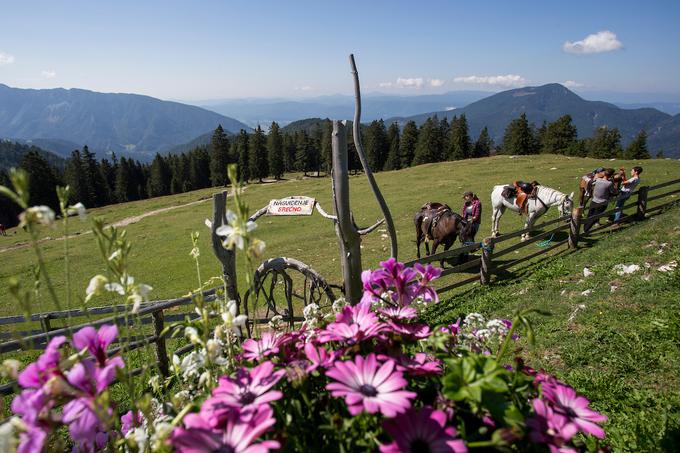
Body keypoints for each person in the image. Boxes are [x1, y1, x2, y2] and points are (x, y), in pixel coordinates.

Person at [583, 168, 618, 233]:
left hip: (593, 201)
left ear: (604, 174)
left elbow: (595, 179)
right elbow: (613, 192)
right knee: (595, 217)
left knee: (589, 215)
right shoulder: (609, 183)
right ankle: (586, 230)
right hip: (602, 203)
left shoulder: (598, 180)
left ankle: (585, 228)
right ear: (611, 175)